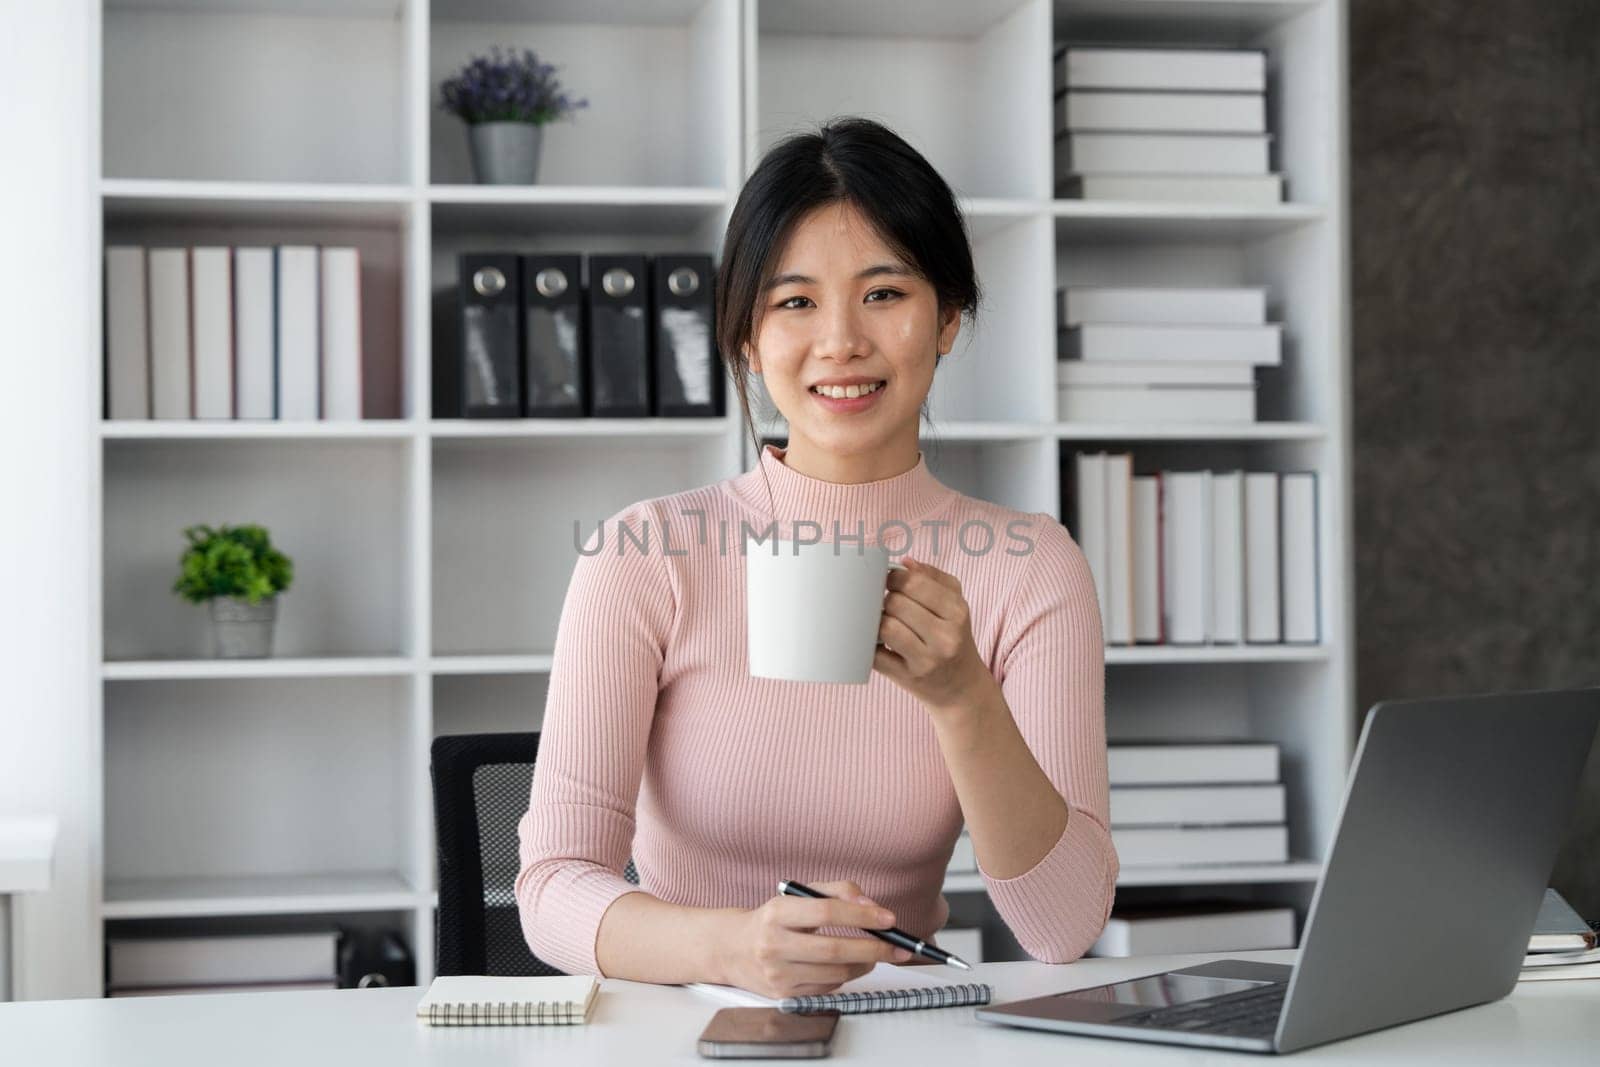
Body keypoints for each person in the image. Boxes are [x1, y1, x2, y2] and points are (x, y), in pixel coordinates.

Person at [516, 117, 1115, 998]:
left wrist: (962, 696)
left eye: (884, 294)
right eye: (794, 301)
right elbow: (550, 888)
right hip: (685, 1026)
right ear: (748, 341)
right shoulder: (645, 554)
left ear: (947, 319)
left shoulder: (1029, 565)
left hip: (915, 1024)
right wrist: (731, 948)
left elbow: (1063, 927)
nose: (841, 340)